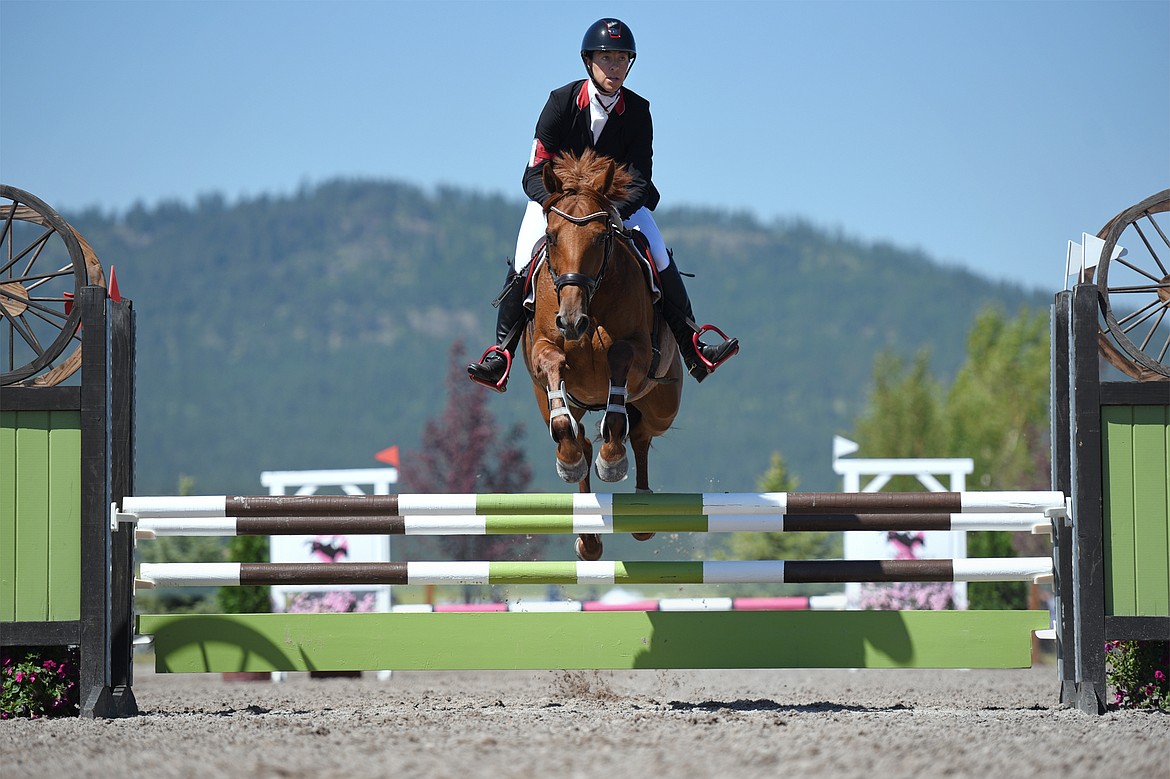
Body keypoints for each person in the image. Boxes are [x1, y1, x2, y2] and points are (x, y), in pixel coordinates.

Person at [467, 17, 739, 392]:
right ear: (589, 62)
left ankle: (694, 345)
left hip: (619, 206)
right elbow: (533, 173)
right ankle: (501, 353)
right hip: (556, 204)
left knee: (659, 255)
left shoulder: (639, 111)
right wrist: (559, 207)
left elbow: (641, 178)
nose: (614, 67)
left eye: (622, 59)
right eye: (606, 57)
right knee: (524, 259)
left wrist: (608, 211)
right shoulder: (560, 103)